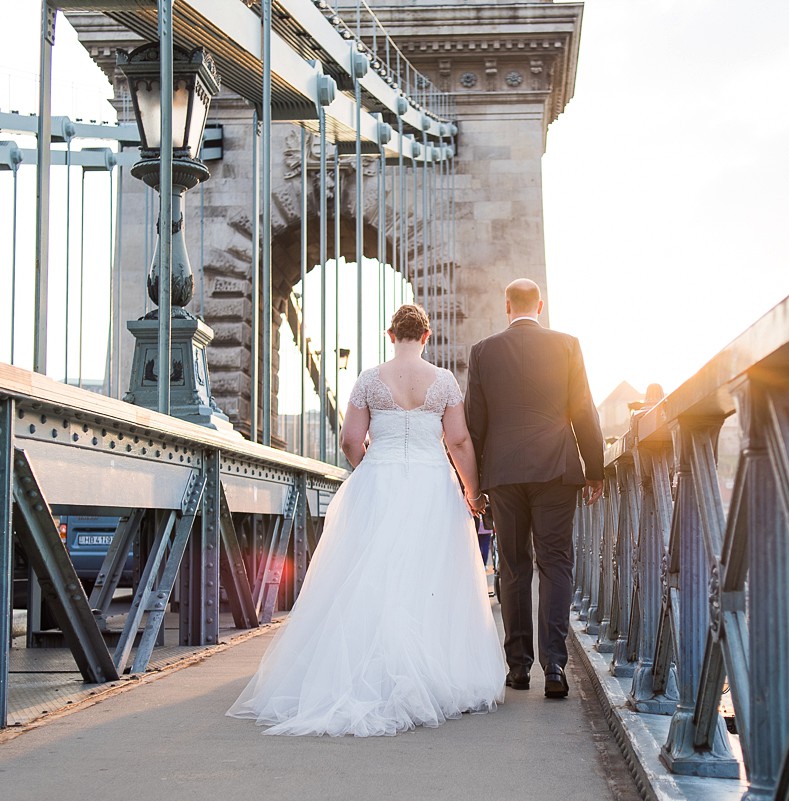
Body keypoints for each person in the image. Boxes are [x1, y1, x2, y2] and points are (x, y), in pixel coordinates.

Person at [227, 304, 505, 736]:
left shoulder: (370, 380)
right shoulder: (445, 381)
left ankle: (374, 674)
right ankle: (435, 677)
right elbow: (459, 440)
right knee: (430, 577)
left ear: (390, 335)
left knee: (375, 575)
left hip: (380, 482)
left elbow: (351, 439)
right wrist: (473, 493)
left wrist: (367, 465)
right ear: (426, 337)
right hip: (433, 485)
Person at [465, 279, 604, 698]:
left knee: (513, 566)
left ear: (507, 306)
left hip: (504, 475)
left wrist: (476, 482)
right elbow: (583, 409)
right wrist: (595, 469)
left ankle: (518, 668)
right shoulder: (567, 345)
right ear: (539, 305)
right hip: (555, 469)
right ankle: (556, 666)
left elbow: (475, 422)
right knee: (555, 563)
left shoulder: (483, 351)